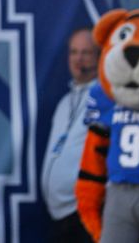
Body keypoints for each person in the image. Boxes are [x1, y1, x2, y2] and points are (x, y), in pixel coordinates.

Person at [41, 27, 99, 243]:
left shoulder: (104, 99)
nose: (78, 59)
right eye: (74, 52)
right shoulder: (64, 103)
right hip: (58, 216)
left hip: (86, 213)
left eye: (86, 53)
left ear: (98, 56)